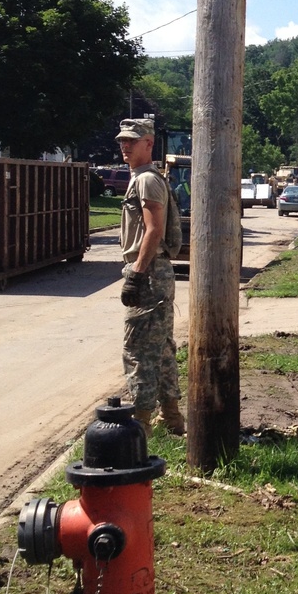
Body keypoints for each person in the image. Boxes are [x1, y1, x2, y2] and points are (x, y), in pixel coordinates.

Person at [116, 118, 184, 437]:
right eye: (122, 141)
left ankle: (140, 423)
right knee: (161, 347)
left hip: (149, 271)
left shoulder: (146, 180)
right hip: (155, 271)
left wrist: (137, 274)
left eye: (132, 140)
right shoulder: (144, 177)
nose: (125, 146)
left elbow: (154, 229)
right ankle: (171, 418)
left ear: (149, 143)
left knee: (138, 347)